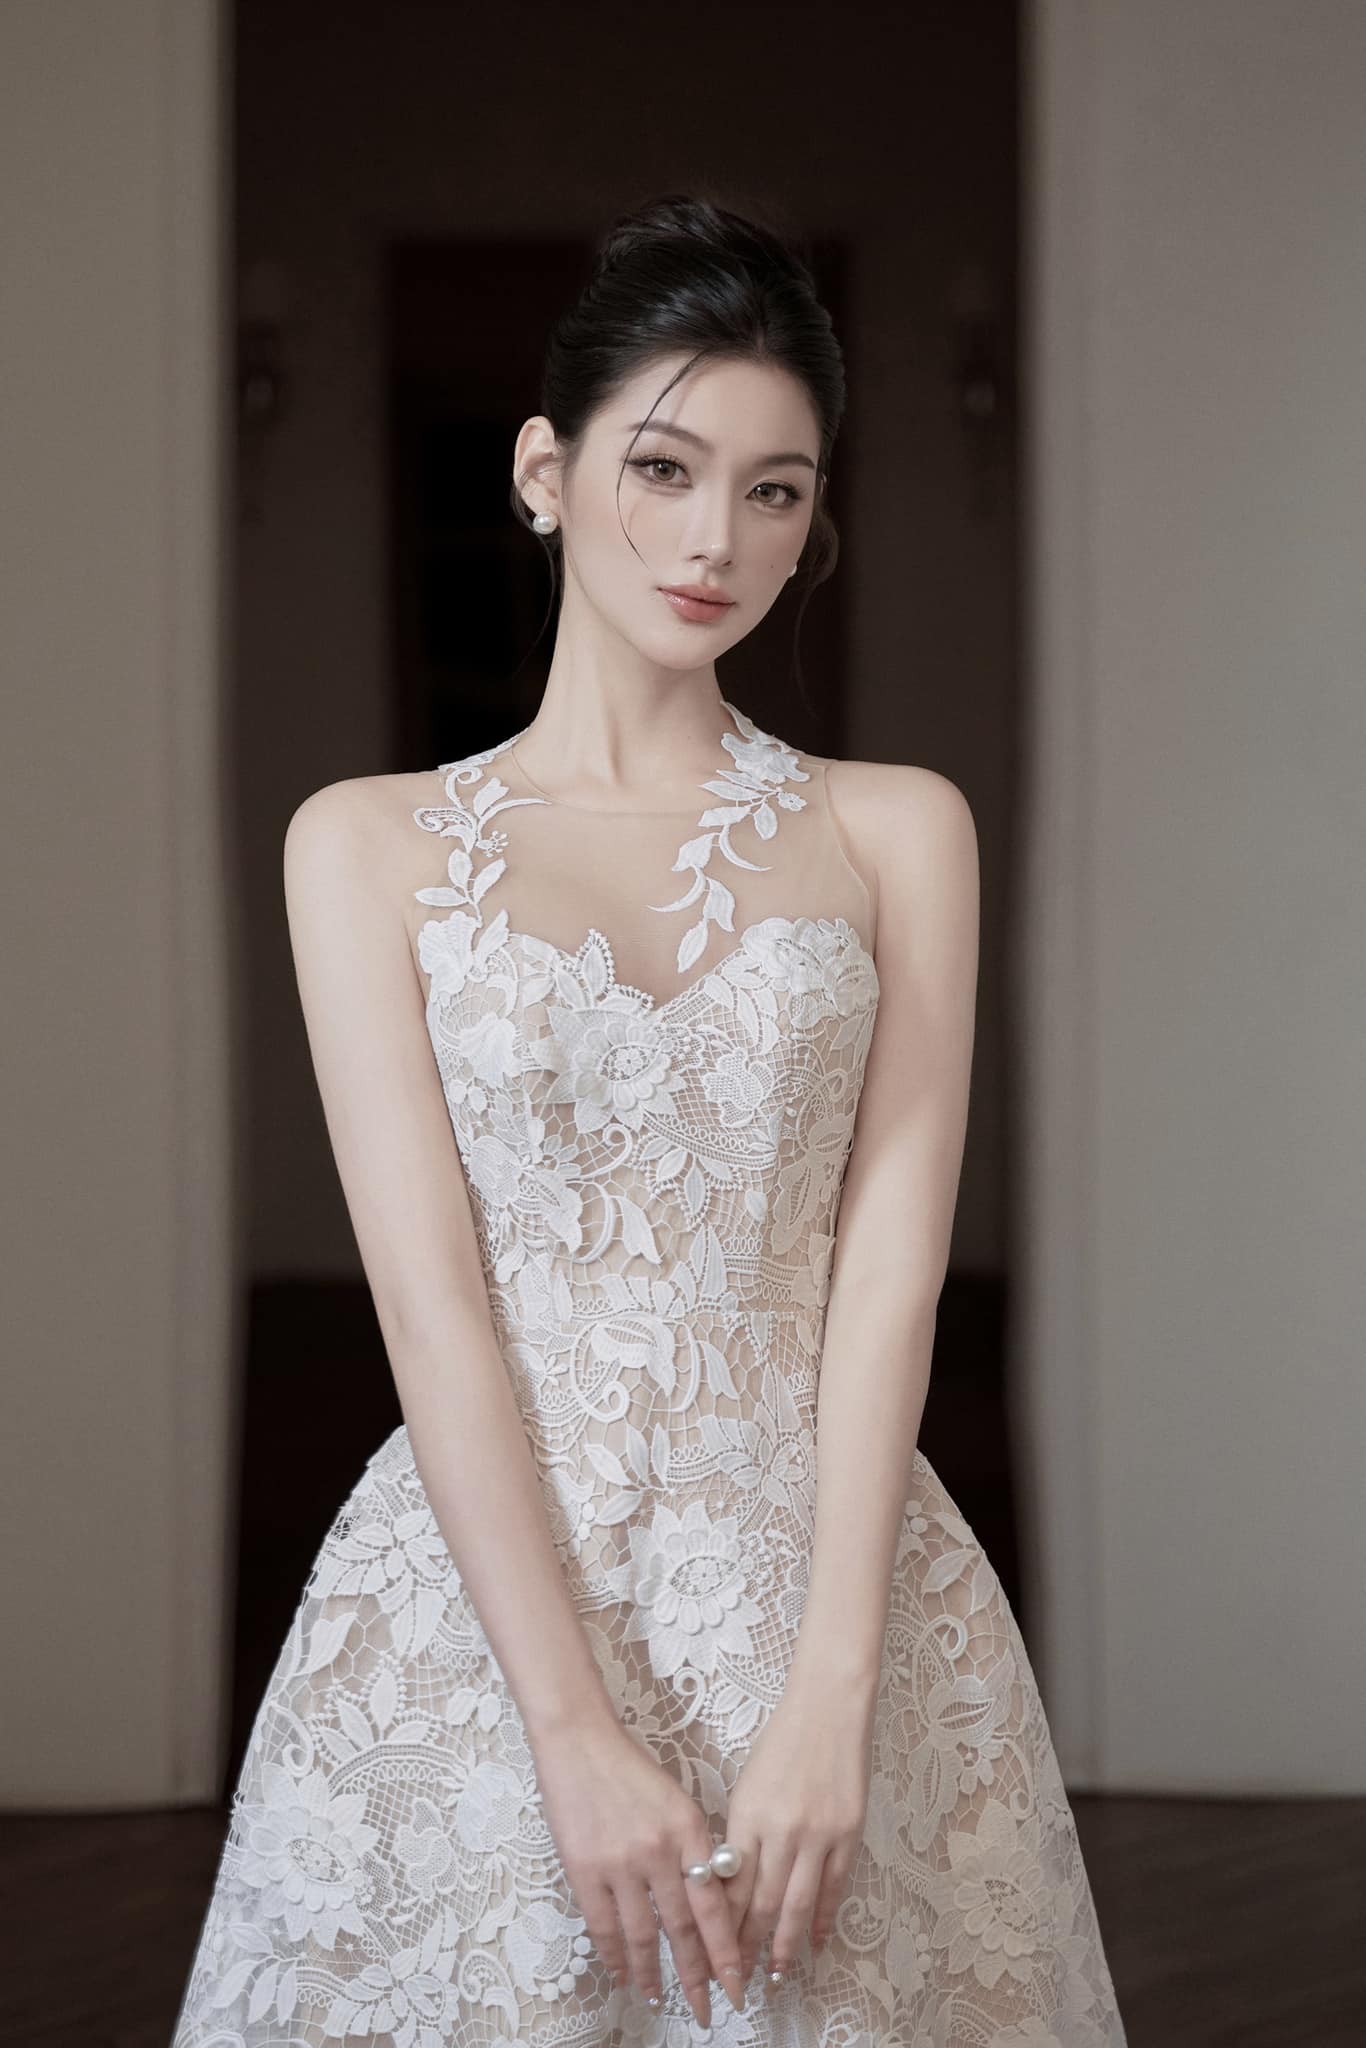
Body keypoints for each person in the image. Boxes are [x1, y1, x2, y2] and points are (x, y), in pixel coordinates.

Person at [172, 194, 1126, 2047]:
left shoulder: (893, 828)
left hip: (832, 1580)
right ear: (544, 470)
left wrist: (832, 1693)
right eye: (667, 468)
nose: (716, 539)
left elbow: (890, 1282)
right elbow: (429, 1305)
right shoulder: (361, 845)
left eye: (776, 490)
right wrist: (572, 1735)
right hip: (483, 1607)